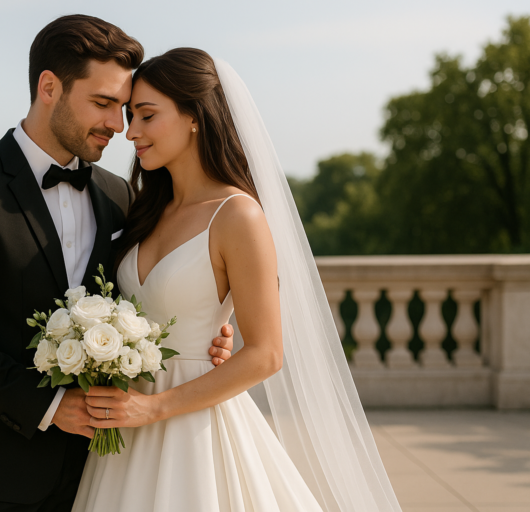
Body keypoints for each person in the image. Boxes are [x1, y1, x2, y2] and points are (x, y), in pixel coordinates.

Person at [0, 17, 235, 512]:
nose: (118, 125)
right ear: (49, 87)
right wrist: (50, 406)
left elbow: (148, 293)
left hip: (106, 468)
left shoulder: (119, 194)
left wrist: (207, 334)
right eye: (103, 103)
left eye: (124, 108)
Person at [73, 48, 403, 512]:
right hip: (124, 437)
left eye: (146, 115)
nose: (132, 132)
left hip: (193, 431)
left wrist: (156, 408)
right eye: (131, 116)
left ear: (195, 117)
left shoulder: (238, 215)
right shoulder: (142, 208)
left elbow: (266, 354)